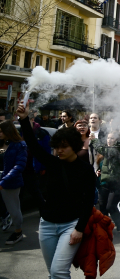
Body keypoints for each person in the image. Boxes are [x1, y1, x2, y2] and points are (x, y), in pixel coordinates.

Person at [15, 102, 96, 277]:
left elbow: (89, 200)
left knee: (58, 271)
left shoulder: (85, 169)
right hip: (47, 225)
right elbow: (32, 144)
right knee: (53, 271)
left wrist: (79, 229)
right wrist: (23, 119)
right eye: (56, 146)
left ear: (74, 146)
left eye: (63, 147)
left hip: (71, 225)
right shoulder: (52, 163)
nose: (59, 150)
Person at [95, 130, 120, 232]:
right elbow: (99, 166)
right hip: (104, 183)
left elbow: (111, 153)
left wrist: (93, 140)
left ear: (116, 139)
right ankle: (104, 228)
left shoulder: (119, 150)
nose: (109, 140)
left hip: (116, 183)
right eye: (108, 138)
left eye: (112, 138)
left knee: (110, 206)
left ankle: (119, 220)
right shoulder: (103, 151)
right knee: (102, 207)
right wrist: (98, 172)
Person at [0, 120, 27, 245]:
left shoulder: (19, 145)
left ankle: (18, 231)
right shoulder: (2, 142)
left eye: (1, 131)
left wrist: (4, 181)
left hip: (10, 182)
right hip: (3, 179)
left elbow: (19, 166)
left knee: (13, 209)